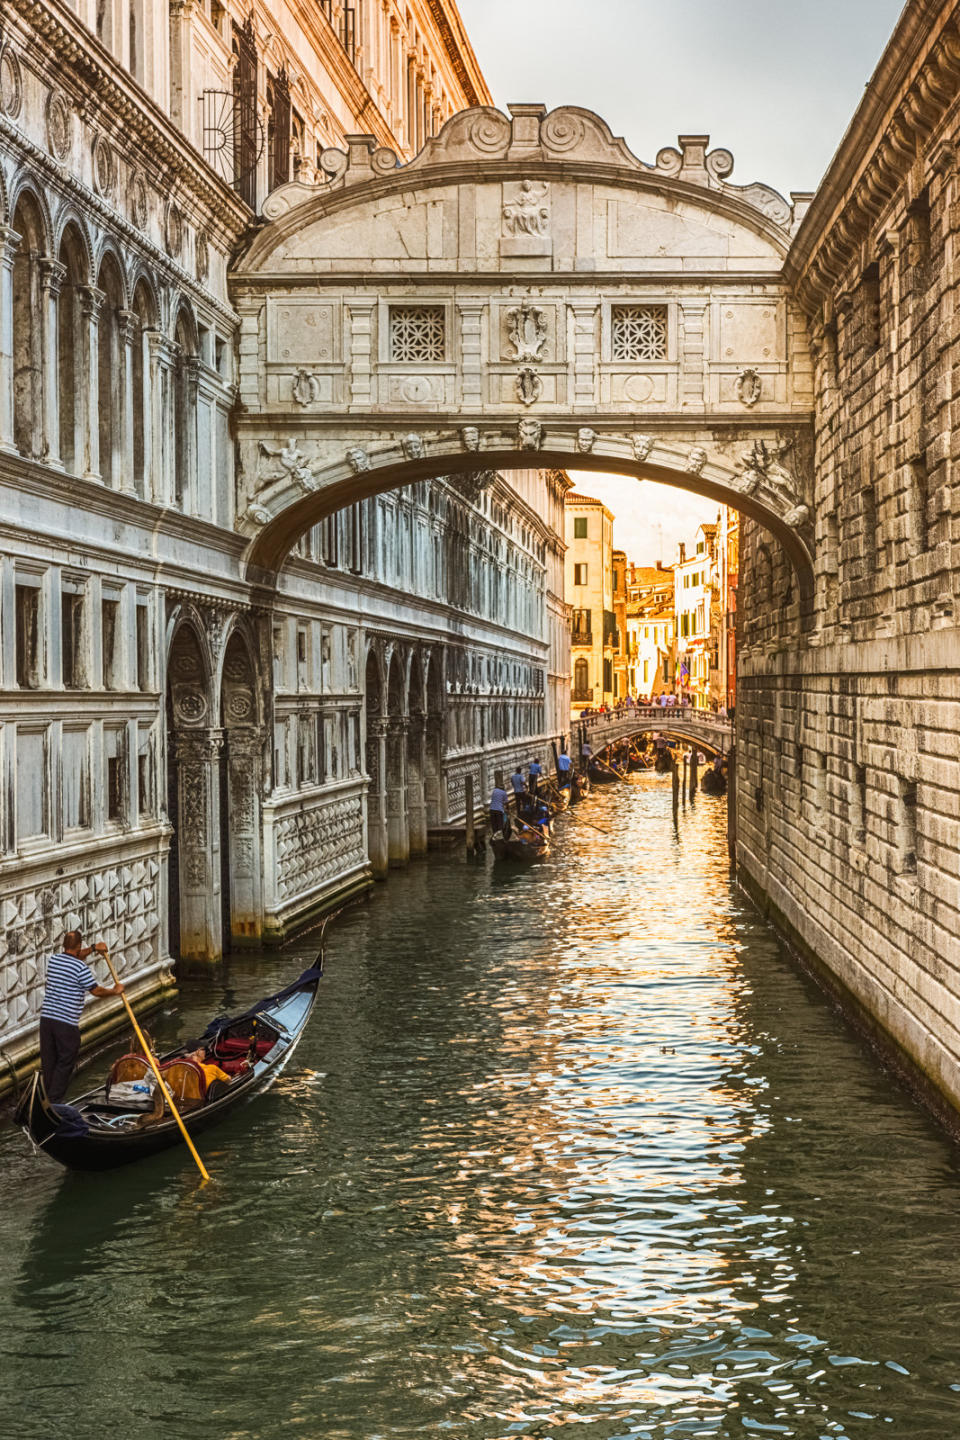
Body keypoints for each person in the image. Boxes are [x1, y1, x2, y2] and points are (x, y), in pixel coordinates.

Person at [39, 930, 125, 1103]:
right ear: (79, 946)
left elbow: (75, 956)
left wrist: (93, 948)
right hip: (66, 1024)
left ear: (64, 945)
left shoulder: (54, 961)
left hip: (46, 1021)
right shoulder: (80, 968)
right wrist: (115, 991)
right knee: (65, 1062)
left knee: (49, 1062)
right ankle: (54, 1102)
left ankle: (46, 1101)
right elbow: (96, 991)